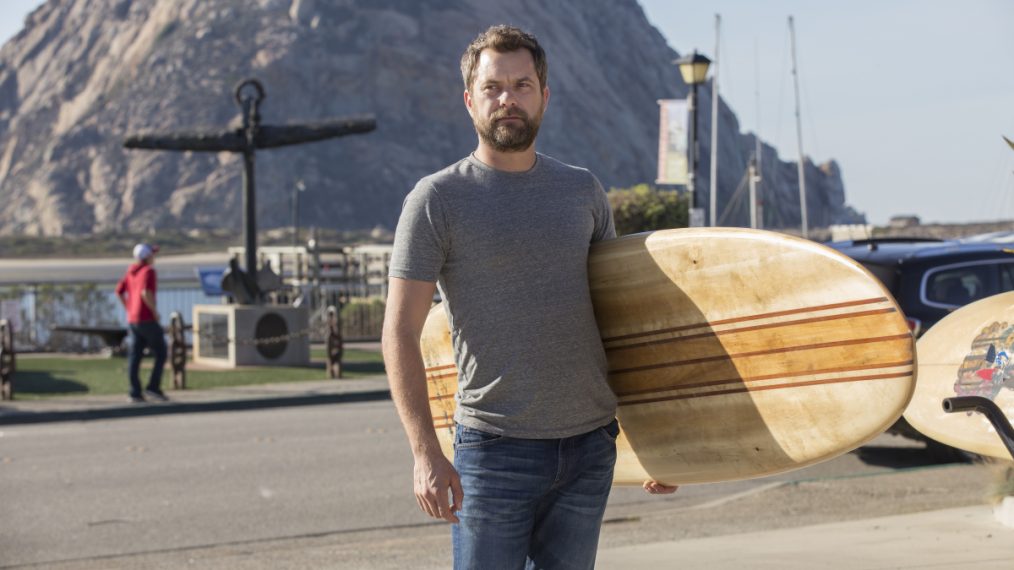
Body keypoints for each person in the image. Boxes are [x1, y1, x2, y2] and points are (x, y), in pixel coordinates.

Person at [382, 25, 676, 569]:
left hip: (590, 447)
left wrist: (650, 443)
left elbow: (619, 323)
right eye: (493, 87)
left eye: (522, 85)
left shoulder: (581, 191)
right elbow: (399, 332)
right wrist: (425, 453)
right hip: (493, 451)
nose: (508, 100)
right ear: (470, 100)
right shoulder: (437, 200)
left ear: (544, 95)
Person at [115, 243, 168, 403]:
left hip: (133, 320)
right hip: (147, 319)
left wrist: (129, 308)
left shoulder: (131, 271)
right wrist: (155, 312)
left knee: (135, 356)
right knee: (161, 352)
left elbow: (119, 291)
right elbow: (146, 293)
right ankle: (153, 387)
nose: (154, 257)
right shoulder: (148, 271)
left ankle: (135, 392)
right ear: (147, 257)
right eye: (152, 254)